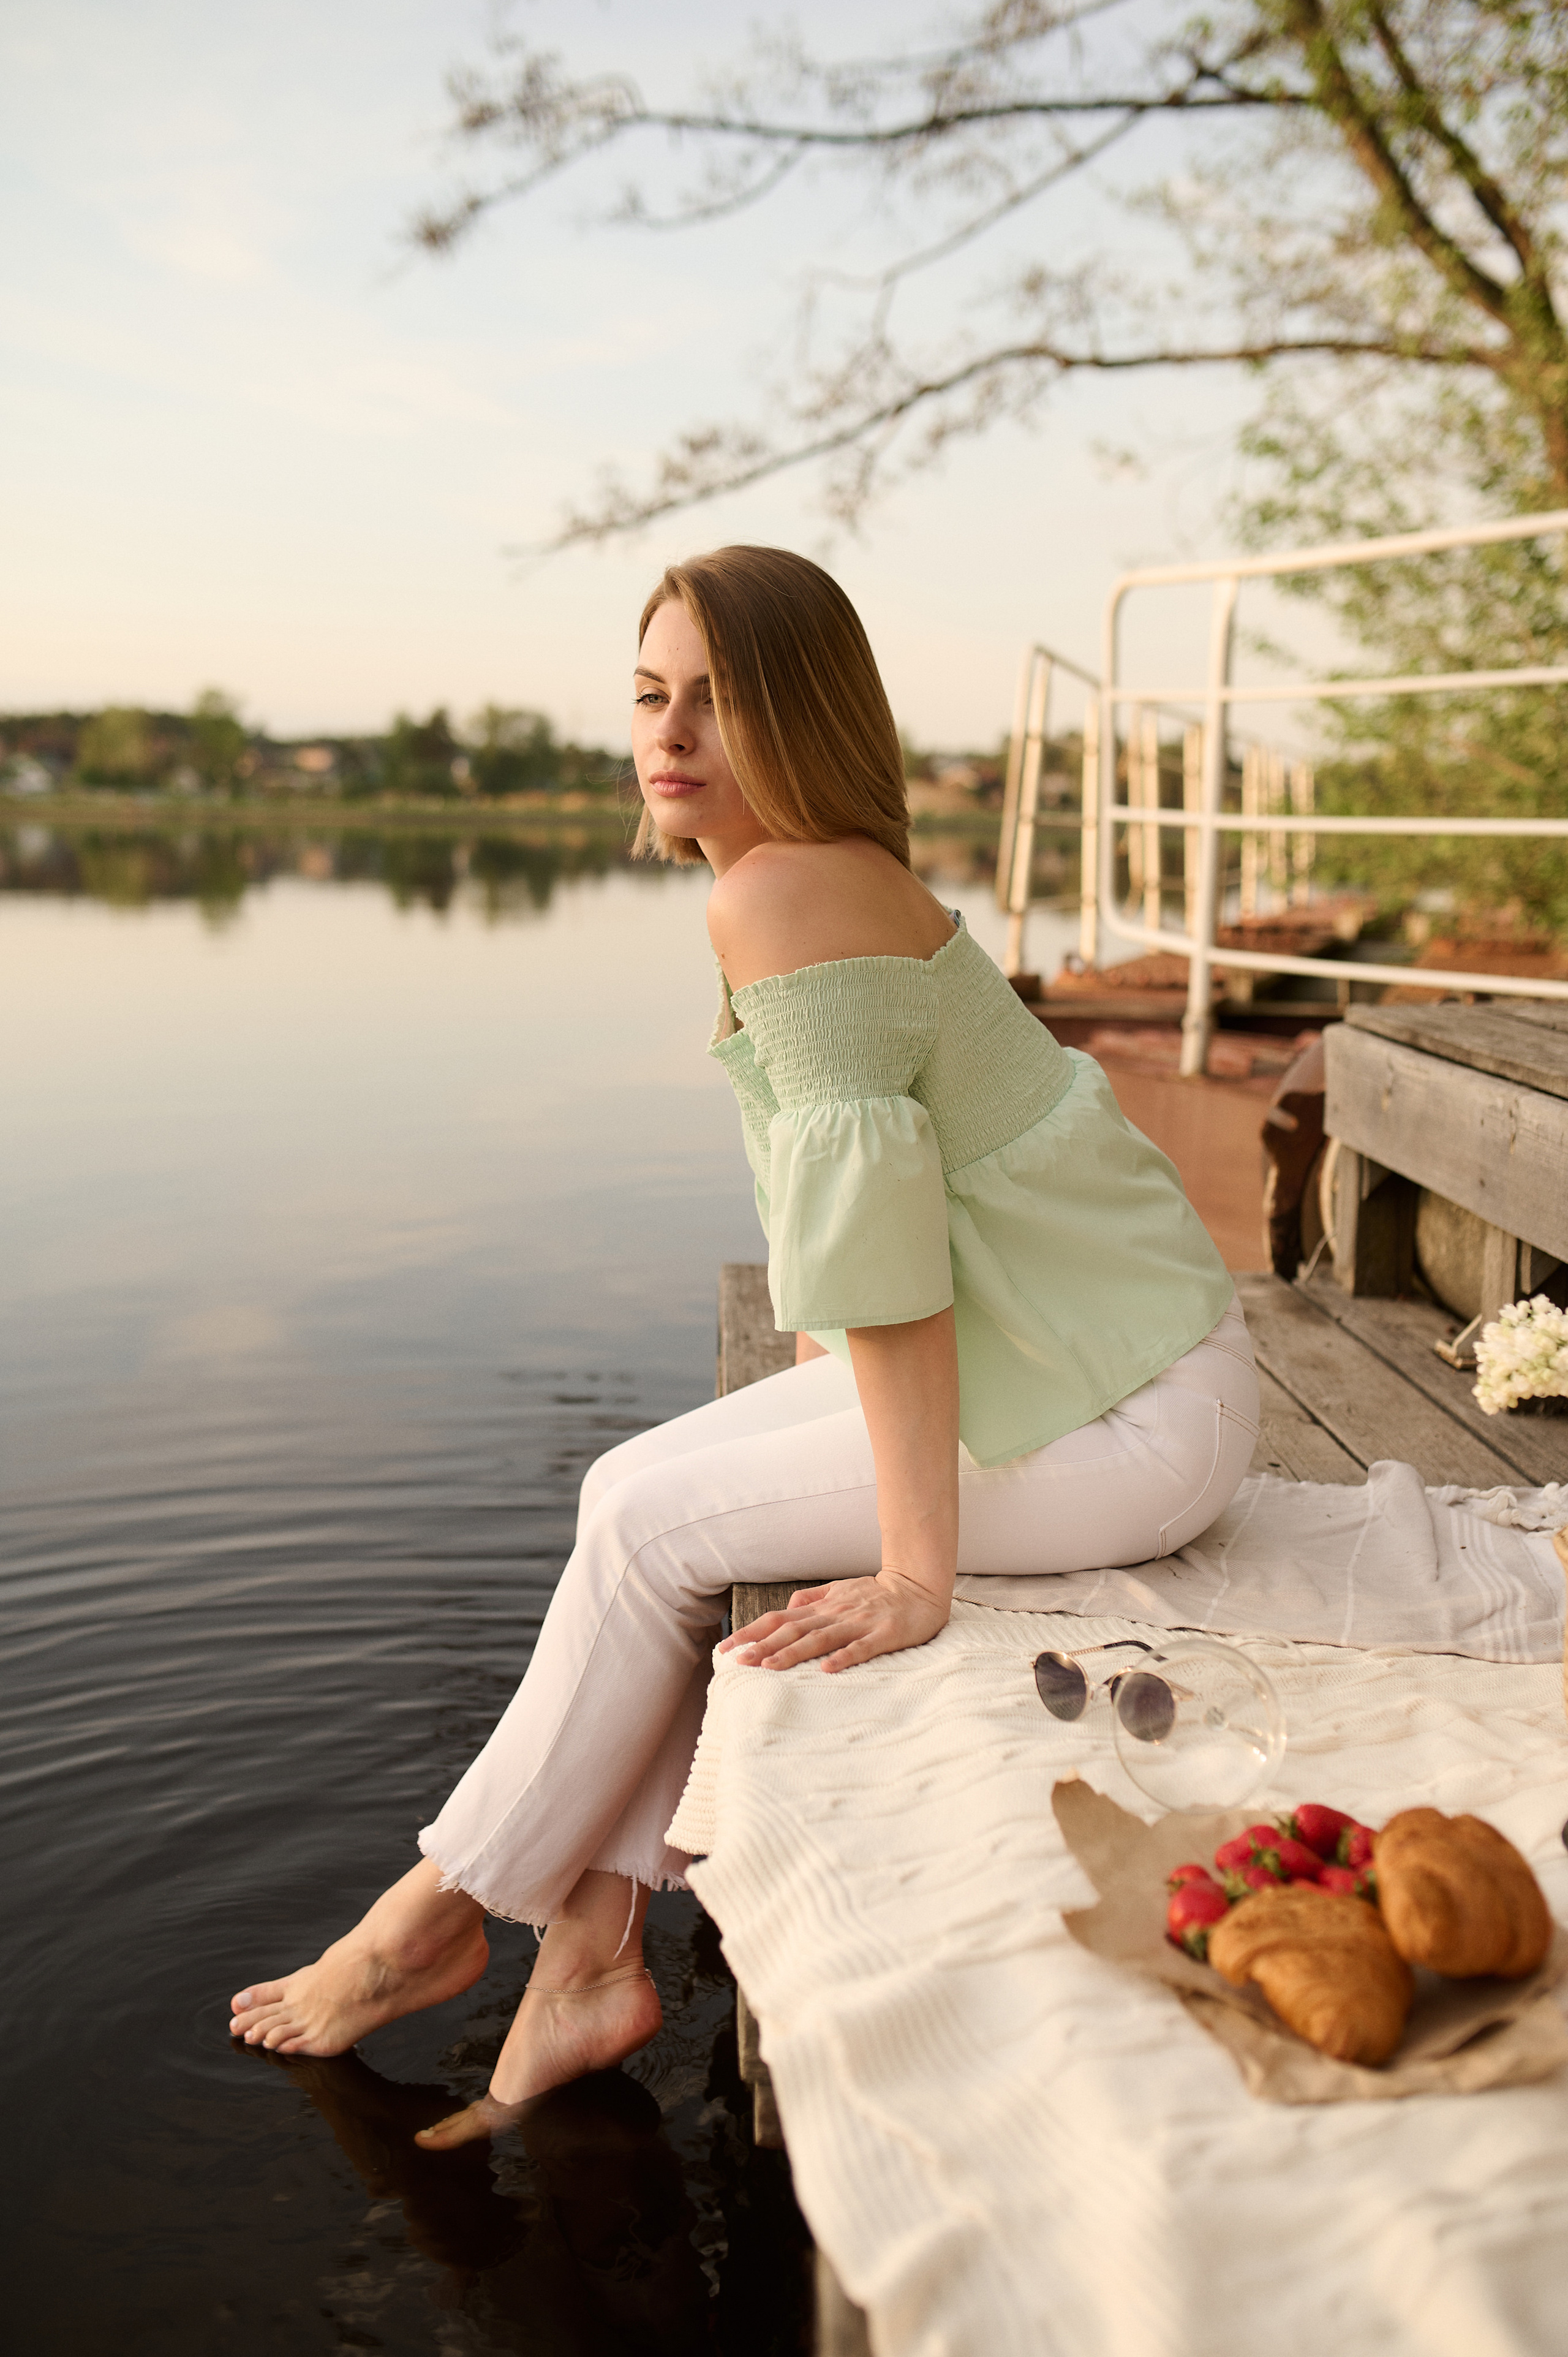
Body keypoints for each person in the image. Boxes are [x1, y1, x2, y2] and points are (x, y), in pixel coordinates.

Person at [230, 547, 1257, 2147]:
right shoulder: (800, 879)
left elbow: (897, 1270)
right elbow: (852, 1243)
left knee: (652, 1522)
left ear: (807, 716)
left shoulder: (785, 890)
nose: (673, 730)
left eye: (723, 697)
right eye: (652, 693)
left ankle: (430, 1919)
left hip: (1131, 1413)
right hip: (1067, 1367)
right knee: (627, 1487)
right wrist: (823, 1414)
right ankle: (582, 1948)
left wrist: (916, 1572)